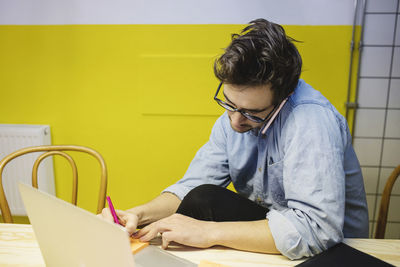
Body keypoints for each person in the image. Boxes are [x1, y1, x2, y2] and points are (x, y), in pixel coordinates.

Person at [100, 18, 369, 260]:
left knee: (204, 212)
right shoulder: (232, 119)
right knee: (202, 196)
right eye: (229, 103)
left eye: (252, 113)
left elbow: (316, 230)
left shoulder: (311, 121)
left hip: (335, 252)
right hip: (278, 227)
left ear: (283, 99)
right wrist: (138, 214)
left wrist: (209, 232)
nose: (235, 121)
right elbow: (192, 186)